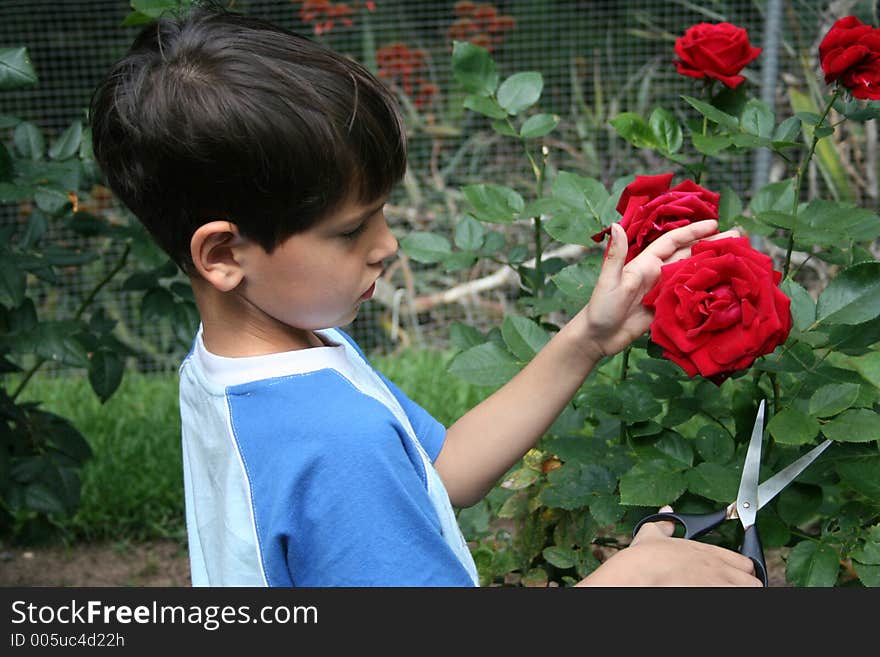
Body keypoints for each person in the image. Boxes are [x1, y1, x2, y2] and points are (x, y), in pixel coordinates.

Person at [89, 6, 760, 587]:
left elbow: (443, 469)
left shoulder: (251, 366)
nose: (387, 246)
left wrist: (588, 334)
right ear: (225, 255)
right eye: (352, 228)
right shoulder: (334, 439)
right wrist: (630, 578)